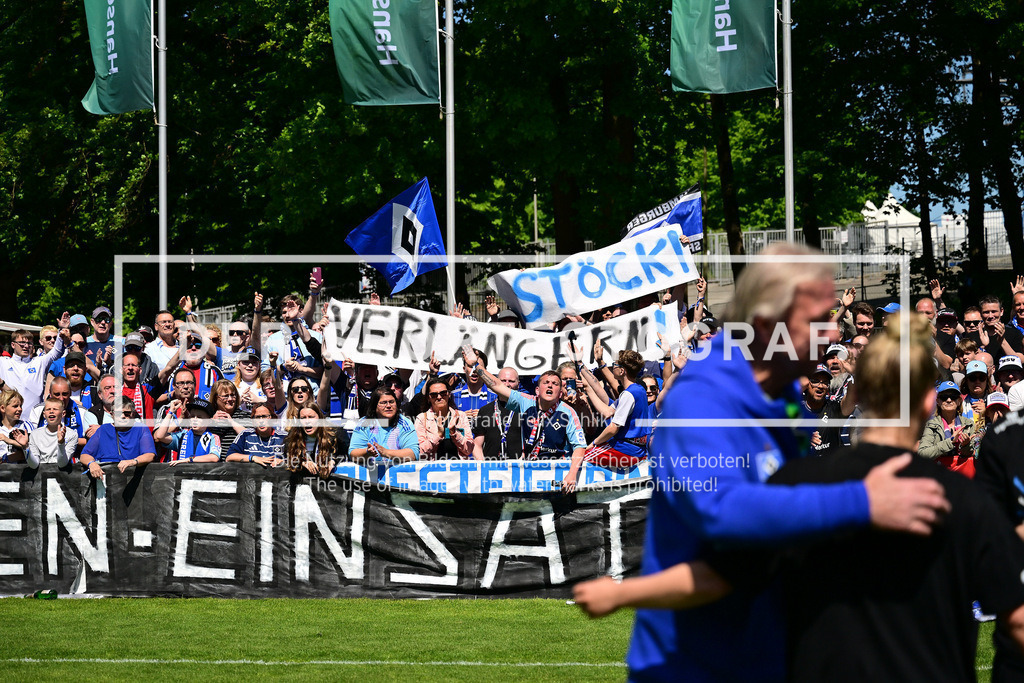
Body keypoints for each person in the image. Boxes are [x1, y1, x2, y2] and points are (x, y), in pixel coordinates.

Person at [575, 313, 1024, 683]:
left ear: (861, 392)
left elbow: (717, 577)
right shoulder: (967, 501)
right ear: (929, 402)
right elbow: (1016, 620)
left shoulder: (795, 485)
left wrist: (620, 593)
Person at [613, 244, 949, 682]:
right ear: (768, 326)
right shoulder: (701, 399)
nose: (833, 334)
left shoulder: (785, 392)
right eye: (818, 320)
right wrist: (860, 501)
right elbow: (722, 511)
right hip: (695, 664)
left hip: (768, 650)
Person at [469, 347, 586, 463]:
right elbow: (497, 386)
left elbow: (579, 447)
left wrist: (571, 474)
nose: (550, 386)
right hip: (529, 469)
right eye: (546, 383)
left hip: (555, 470)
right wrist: (476, 365)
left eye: (555, 383)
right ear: (537, 390)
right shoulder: (526, 401)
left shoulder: (568, 412)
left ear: (560, 393)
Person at [563, 350, 651, 492]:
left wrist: (593, 443)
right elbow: (607, 411)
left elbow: (613, 428)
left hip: (625, 450)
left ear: (622, 371)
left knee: (579, 457)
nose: (612, 367)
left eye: (614, 365)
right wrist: (586, 385)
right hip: (635, 449)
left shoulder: (629, 394)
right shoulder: (637, 389)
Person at [0, 316, 69, 416]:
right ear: (13, 345)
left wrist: (62, 330)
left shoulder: (39, 361)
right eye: (22, 343)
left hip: (33, 419)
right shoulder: (3, 362)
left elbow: (57, 352)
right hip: (8, 419)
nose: (26, 346)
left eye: (29, 343)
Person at [79, 401, 157, 480]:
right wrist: (91, 464)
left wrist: (132, 462)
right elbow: (84, 455)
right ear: (112, 415)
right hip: (107, 480)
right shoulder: (103, 430)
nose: (123, 416)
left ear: (133, 414)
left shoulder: (141, 429)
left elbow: (150, 455)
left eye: (127, 413)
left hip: (133, 478)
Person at [349, 387, 419, 465]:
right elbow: (353, 454)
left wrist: (386, 452)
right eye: (383, 402)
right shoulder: (364, 423)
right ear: (375, 406)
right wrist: (367, 452)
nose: (388, 406)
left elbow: (413, 454)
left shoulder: (405, 423)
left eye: (391, 402)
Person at [920, 380, 976, 475]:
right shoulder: (931, 425)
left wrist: (965, 446)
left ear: (959, 401)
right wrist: (950, 442)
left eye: (953, 397)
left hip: (963, 476)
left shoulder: (969, 424)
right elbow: (922, 454)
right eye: (944, 397)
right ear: (938, 401)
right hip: (939, 475)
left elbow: (971, 454)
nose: (949, 400)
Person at [415, 377, 475, 460]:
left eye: (443, 393)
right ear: (428, 398)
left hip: (458, 469)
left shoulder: (461, 416)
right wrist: (438, 435)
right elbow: (419, 452)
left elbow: (469, 449)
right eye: (434, 395)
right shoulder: (422, 418)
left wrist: (455, 433)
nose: (439, 397)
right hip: (433, 470)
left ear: (449, 394)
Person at [472, 367, 524, 460]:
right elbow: (477, 444)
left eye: (511, 381)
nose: (507, 384)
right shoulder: (485, 410)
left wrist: (521, 462)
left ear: (518, 384)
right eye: (503, 380)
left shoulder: (525, 409)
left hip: (518, 468)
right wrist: (483, 466)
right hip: (491, 469)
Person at [154, 398, 221, 463]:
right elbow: (160, 436)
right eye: (192, 416)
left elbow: (214, 457)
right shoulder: (183, 435)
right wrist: (170, 412)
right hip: (182, 473)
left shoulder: (213, 437)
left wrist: (189, 459)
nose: (195, 419)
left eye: (199, 417)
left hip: (203, 473)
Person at [283, 404, 337, 478]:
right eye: (303, 418)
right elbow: (288, 457)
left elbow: (344, 454)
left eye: (311, 417)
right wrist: (303, 463)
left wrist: (332, 461)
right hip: (303, 480)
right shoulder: (293, 436)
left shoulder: (332, 434)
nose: (307, 421)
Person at [225, 402, 284, 466]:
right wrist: (253, 458)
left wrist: (282, 461)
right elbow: (229, 457)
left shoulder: (283, 437)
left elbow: (295, 459)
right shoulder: (245, 435)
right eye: (257, 417)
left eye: (264, 416)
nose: (261, 420)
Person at [25, 397, 74, 468]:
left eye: (55, 409)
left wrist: (61, 443)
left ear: (63, 413)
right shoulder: (35, 434)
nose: (51, 411)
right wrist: (25, 447)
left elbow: (62, 464)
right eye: (48, 409)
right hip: (40, 477)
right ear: (44, 414)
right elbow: (34, 465)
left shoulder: (71, 434)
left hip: (63, 477)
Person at [451, 349, 496, 419]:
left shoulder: (494, 397)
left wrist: (485, 417)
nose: (474, 370)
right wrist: (459, 418)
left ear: (485, 370)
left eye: (478, 367)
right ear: (464, 369)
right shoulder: (452, 396)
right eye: (470, 366)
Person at [206, 379, 248, 452]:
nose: (230, 399)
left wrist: (232, 423)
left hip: (238, 461)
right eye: (225, 396)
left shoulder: (245, 416)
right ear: (216, 398)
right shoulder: (208, 416)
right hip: (213, 462)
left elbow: (250, 438)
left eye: (232, 395)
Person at [0, 389, 32, 464]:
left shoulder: (26, 426)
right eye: (15, 406)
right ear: (2, 408)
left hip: (21, 473)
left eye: (20, 406)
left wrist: (8, 440)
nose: (20, 409)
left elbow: (34, 450)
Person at [231, 346, 266, 413]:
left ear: (259, 365)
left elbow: (276, 406)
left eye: (254, 362)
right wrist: (239, 402)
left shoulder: (266, 385)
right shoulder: (232, 386)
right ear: (239, 364)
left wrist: (259, 401)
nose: (250, 365)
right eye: (246, 362)